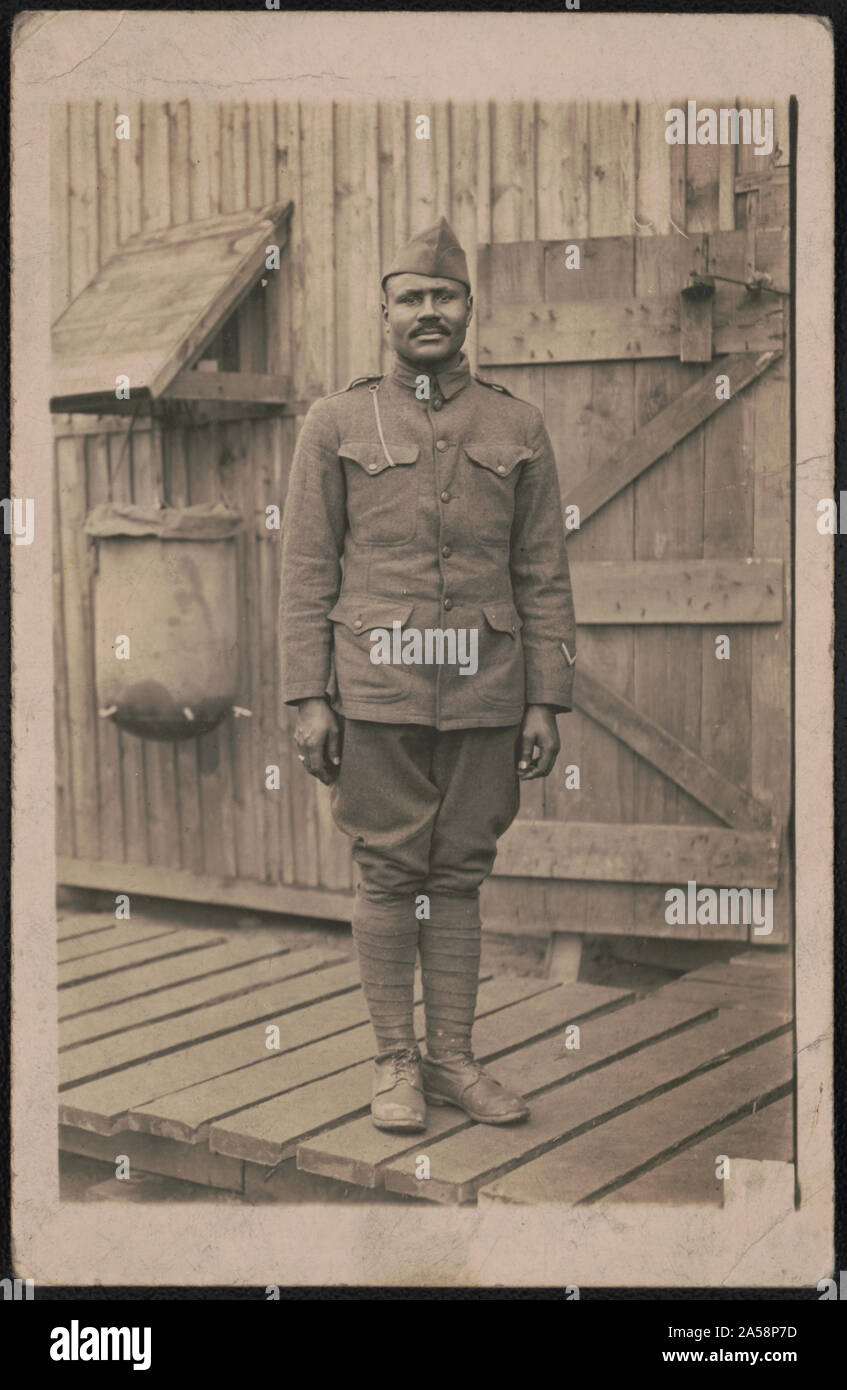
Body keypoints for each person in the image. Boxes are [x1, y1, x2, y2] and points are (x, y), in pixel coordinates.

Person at [279, 217, 576, 1133]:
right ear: (383, 313)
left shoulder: (516, 423)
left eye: (444, 296)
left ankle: (451, 1057)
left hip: (487, 688)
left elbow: (541, 571)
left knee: (458, 875)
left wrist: (544, 696)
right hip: (377, 687)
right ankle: (392, 1063)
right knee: (385, 873)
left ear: (469, 310)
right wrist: (306, 695)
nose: (428, 311)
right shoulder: (335, 420)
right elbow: (306, 569)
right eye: (411, 297)